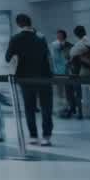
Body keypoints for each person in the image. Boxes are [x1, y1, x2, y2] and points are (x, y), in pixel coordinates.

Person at [5, 14, 54, 146]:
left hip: (25, 77)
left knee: (29, 107)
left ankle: (33, 135)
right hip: (44, 76)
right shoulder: (41, 37)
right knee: (46, 107)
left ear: (19, 24)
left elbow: (8, 57)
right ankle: (46, 136)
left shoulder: (15, 39)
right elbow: (48, 56)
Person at [51, 29, 75, 118]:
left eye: (60, 35)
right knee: (59, 91)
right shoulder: (53, 46)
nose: (58, 36)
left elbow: (72, 58)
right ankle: (62, 109)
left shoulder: (70, 46)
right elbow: (52, 58)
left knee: (69, 90)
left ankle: (71, 107)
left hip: (67, 71)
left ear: (64, 36)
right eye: (57, 35)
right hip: (57, 72)